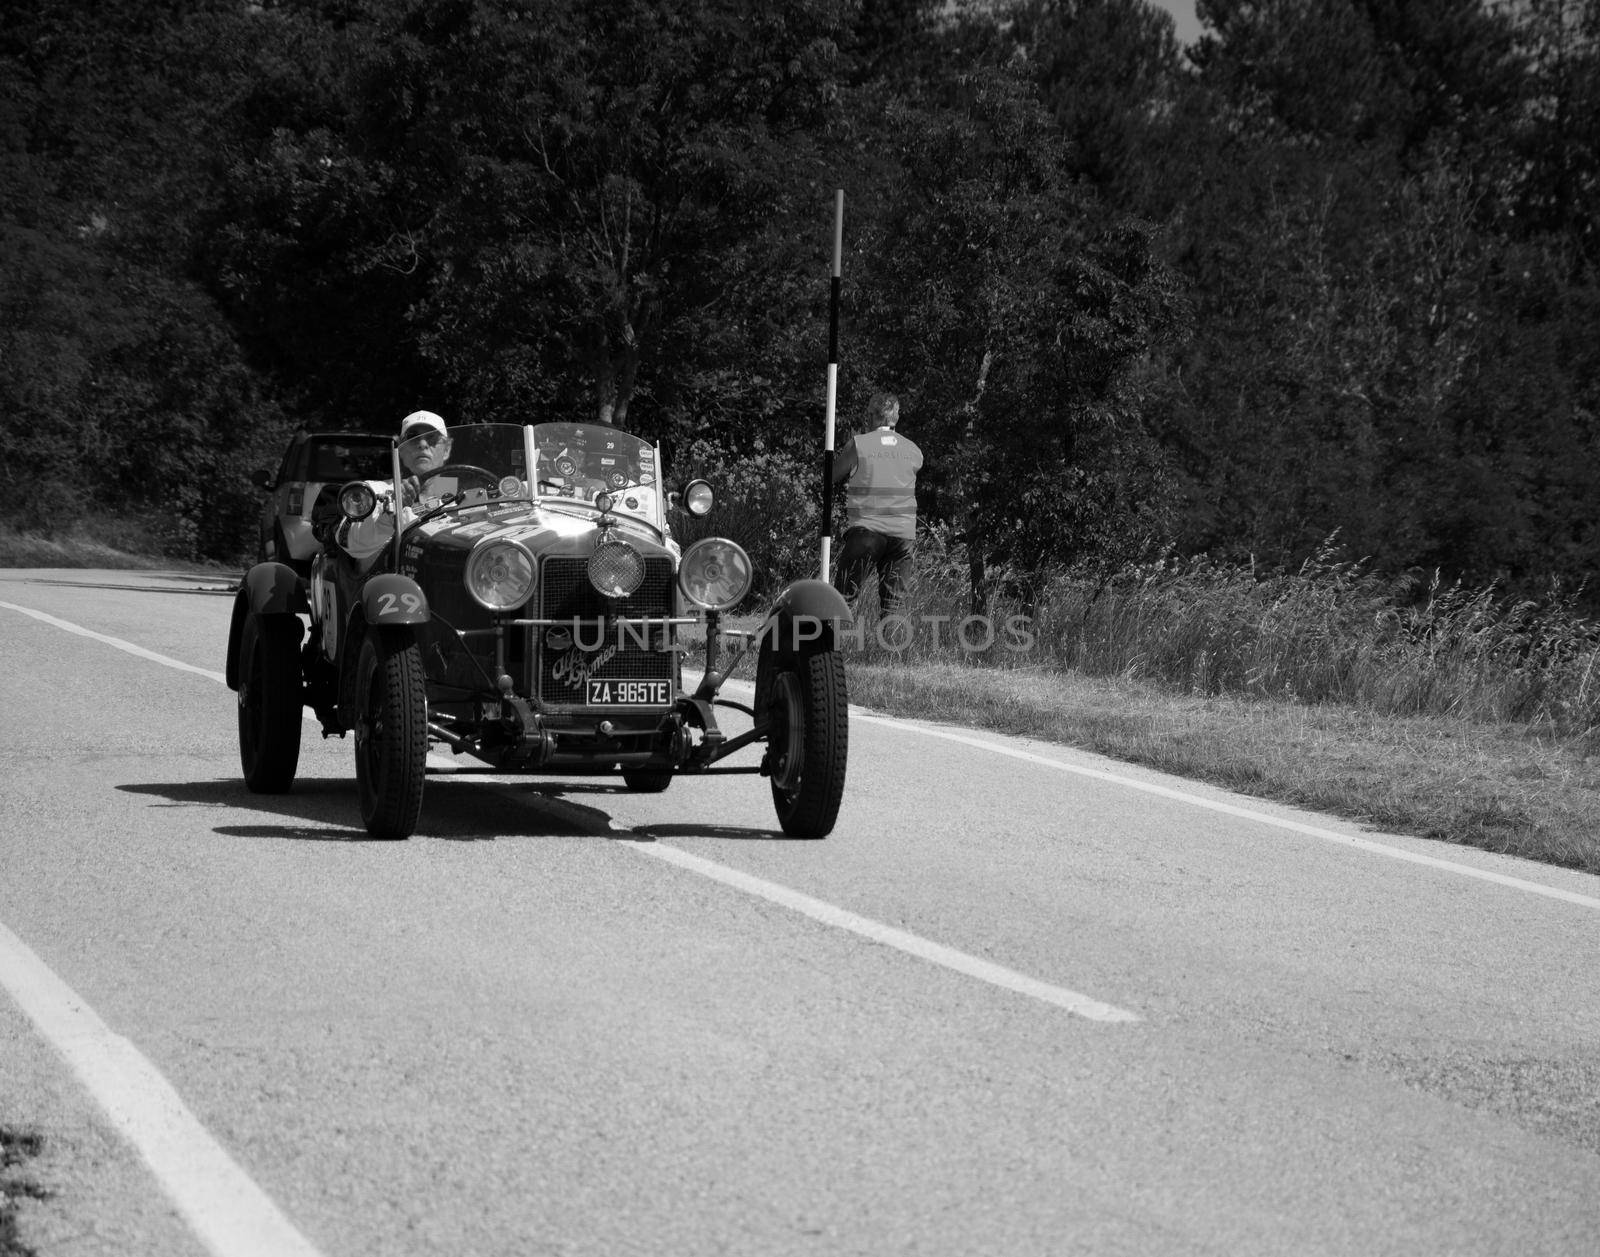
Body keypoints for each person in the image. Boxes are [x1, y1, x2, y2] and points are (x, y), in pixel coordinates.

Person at [831, 391, 923, 614]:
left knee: (843, 598)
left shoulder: (859, 445)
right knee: (894, 606)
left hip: (867, 531)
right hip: (902, 535)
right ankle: (891, 649)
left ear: (872, 416)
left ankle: (834, 645)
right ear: (896, 417)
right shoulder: (914, 450)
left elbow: (832, 476)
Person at [337, 410, 453, 563]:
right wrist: (390, 513)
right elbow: (349, 543)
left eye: (432, 438)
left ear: (446, 449)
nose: (423, 444)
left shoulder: (463, 493)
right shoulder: (371, 491)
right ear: (401, 450)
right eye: (413, 438)